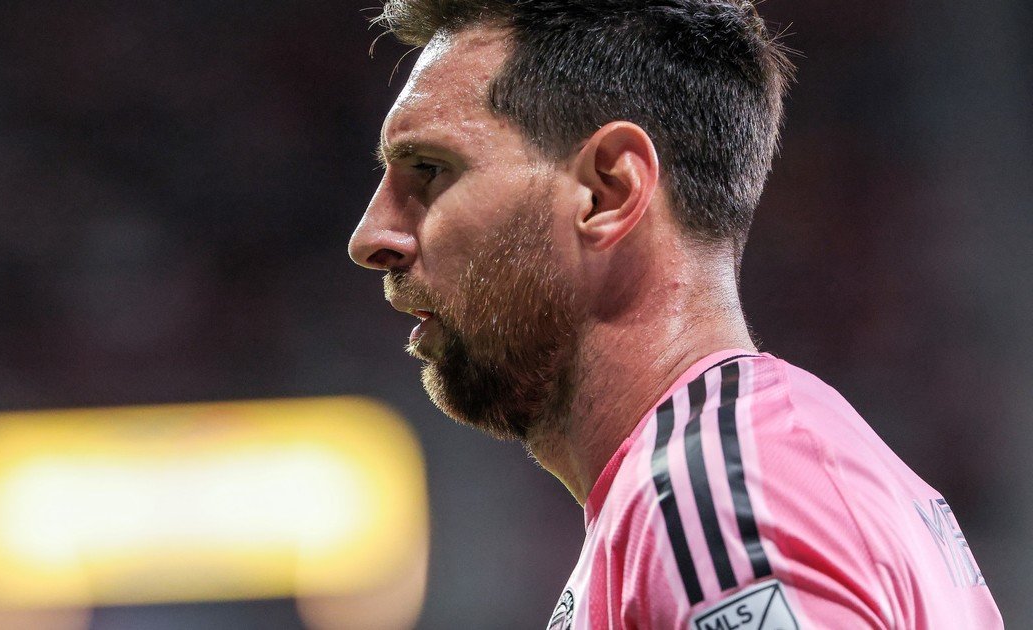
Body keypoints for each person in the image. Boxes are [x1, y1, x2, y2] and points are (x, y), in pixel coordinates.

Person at [347, 1, 1003, 627]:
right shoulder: (771, 469)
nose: (370, 237)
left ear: (608, 192)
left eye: (429, 170)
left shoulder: (713, 498)